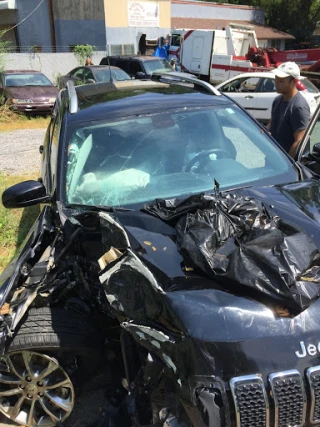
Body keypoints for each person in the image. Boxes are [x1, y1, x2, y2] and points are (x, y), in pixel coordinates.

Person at [266, 61, 310, 157]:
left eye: (281, 81)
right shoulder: (278, 100)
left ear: (294, 81)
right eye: (276, 80)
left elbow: (299, 141)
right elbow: (272, 123)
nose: (276, 83)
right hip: (273, 156)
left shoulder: (298, 107)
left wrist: (288, 165)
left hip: (286, 163)